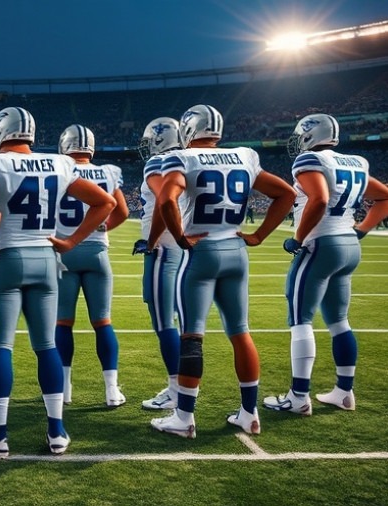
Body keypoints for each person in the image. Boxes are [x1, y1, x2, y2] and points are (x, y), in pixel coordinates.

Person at [0, 107, 115, 458]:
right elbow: (105, 202)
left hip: (8, 258)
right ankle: (57, 431)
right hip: (48, 259)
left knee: (1, 345)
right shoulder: (59, 164)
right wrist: (72, 241)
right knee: (46, 345)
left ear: (0, 132)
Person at [149, 104, 295, 439]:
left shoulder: (183, 157)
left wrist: (183, 238)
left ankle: (184, 418)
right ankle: (249, 413)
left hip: (202, 251)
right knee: (240, 332)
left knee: (191, 335)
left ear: (188, 129)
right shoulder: (244, 155)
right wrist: (258, 235)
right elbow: (285, 194)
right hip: (236, 250)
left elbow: (167, 201)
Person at [263, 114, 388, 415]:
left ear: (309, 134)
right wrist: (362, 229)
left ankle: (298, 397)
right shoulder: (356, 162)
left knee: (300, 320)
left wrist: (298, 237)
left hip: (321, 243)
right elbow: (384, 197)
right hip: (348, 243)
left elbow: (318, 199)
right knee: (339, 321)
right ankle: (344, 392)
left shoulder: (309, 160)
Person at [54, 124, 129, 407]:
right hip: (97, 251)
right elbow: (120, 210)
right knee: (103, 322)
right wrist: (98, 228)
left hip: (64, 251)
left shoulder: (59, 169)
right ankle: (111, 390)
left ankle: (64, 390)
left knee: (63, 322)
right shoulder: (107, 172)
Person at [134, 117, 185, 410]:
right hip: (179, 247)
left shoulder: (160, 163)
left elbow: (166, 202)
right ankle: (181, 387)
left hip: (165, 248)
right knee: (175, 321)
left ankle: (177, 390)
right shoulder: (186, 161)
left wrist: (151, 241)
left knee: (165, 321)